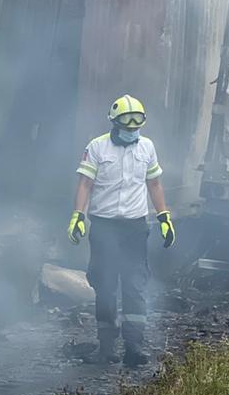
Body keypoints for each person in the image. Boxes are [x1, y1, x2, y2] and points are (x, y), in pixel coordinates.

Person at [68, 95, 174, 365]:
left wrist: (164, 216)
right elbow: (85, 184)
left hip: (135, 228)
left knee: (135, 286)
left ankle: (134, 348)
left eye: (136, 126)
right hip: (104, 227)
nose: (131, 131)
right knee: (104, 286)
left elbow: (155, 184)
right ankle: (105, 348)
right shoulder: (97, 148)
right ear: (114, 123)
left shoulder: (147, 147)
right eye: (126, 126)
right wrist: (78, 215)